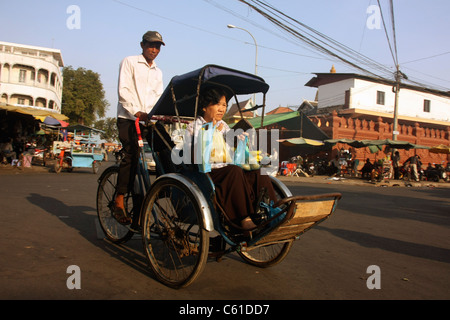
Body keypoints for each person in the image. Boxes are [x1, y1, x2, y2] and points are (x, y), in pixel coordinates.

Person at [187, 87, 277, 233]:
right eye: (217, 104)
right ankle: (244, 219)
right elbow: (194, 156)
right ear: (204, 106)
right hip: (208, 173)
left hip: (229, 168)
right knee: (234, 171)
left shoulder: (225, 126)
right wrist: (211, 131)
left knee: (259, 172)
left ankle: (275, 212)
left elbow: (232, 150)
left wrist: (238, 141)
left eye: (224, 105)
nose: (221, 109)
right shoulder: (193, 127)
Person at [114, 30, 165, 224]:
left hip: (148, 120)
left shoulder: (158, 71)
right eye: (151, 45)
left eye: (158, 46)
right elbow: (123, 91)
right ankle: (119, 198)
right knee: (132, 153)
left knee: (168, 148)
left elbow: (157, 98)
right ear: (142, 45)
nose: (154, 49)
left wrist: (160, 116)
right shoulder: (129, 62)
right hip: (128, 117)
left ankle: (167, 187)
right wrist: (136, 112)